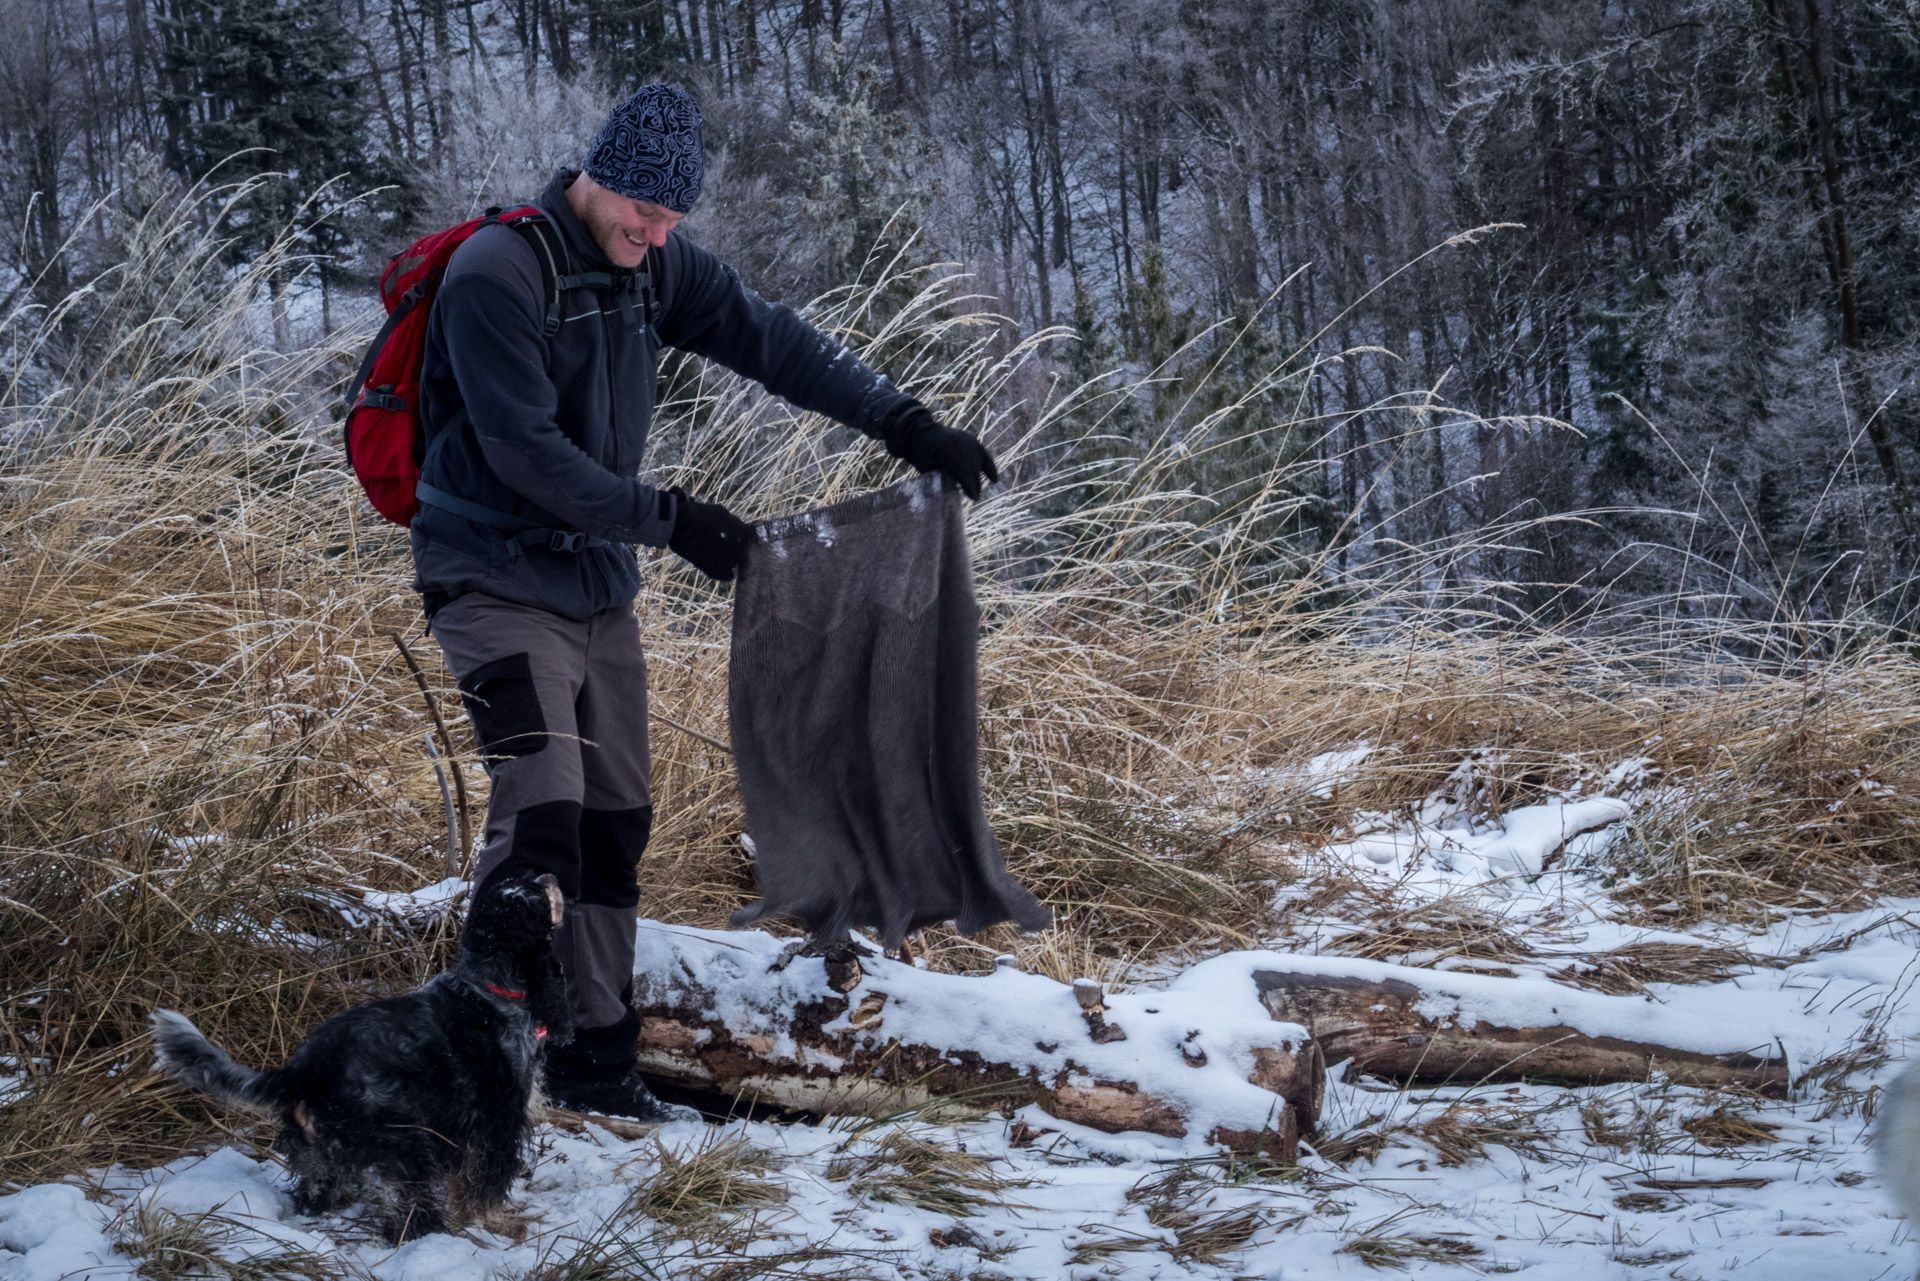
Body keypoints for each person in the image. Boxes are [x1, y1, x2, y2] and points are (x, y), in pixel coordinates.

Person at [413, 83, 997, 1121]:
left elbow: (778, 344)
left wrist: (906, 424)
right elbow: (525, 456)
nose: (657, 231)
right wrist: (675, 519)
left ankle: (593, 1059)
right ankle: (480, 1072)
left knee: (614, 825)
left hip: (597, 591)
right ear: (594, 177)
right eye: (642, 209)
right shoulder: (495, 274)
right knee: (541, 807)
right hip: (491, 579)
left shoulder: (656, 270)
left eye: (674, 215)